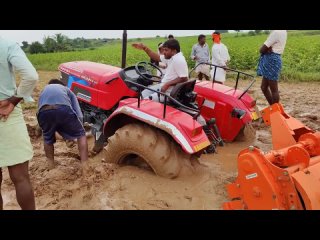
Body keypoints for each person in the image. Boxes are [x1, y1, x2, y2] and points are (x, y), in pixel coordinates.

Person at [0, 36, 38, 210]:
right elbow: (30, 76)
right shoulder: (6, 43)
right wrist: (14, 100)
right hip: (6, 112)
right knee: (20, 177)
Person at [37, 79, 88, 169]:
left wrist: (43, 130)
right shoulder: (67, 90)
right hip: (63, 108)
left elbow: (39, 112)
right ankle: (85, 166)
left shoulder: (43, 90)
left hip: (43, 112)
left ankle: (50, 165)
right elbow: (78, 113)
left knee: (47, 139)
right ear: (63, 85)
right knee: (81, 135)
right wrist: (80, 128)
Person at [257, 30, 287, 105]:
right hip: (274, 59)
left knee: (274, 89)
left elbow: (262, 49)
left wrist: (265, 48)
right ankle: (273, 107)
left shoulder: (276, 32)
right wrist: (267, 48)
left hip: (271, 60)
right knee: (263, 87)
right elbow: (266, 48)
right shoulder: (283, 31)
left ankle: (275, 111)